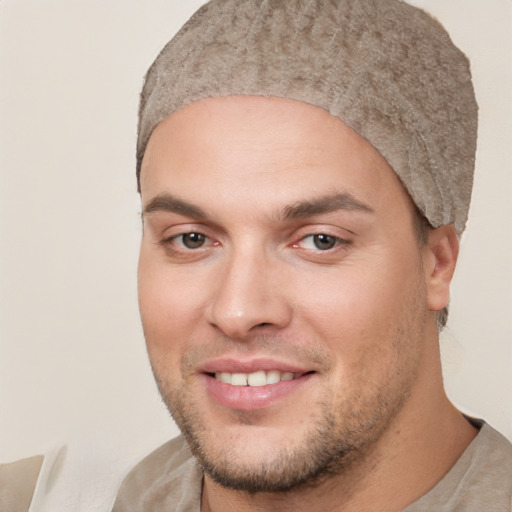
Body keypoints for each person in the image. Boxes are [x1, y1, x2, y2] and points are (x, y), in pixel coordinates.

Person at [113, 0, 512, 510]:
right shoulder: (65, 497)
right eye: (191, 239)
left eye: (320, 240)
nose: (237, 311)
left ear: (437, 263)